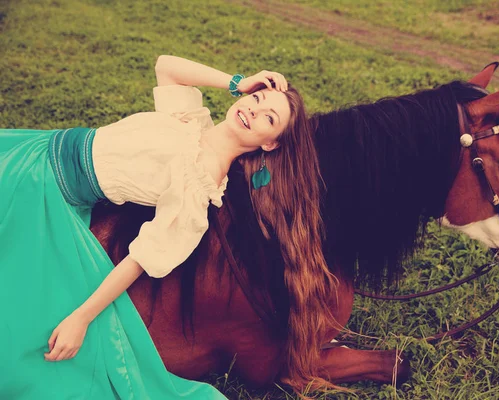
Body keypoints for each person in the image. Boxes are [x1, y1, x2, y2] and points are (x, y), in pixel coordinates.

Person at [0, 55, 336, 398]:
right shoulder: (193, 121)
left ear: (271, 143)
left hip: (44, 187)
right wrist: (239, 80)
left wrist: (82, 318)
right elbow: (166, 67)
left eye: (269, 117)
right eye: (256, 99)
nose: (253, 110)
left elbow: (143, 258)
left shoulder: (200, 185)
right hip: (42, 146)